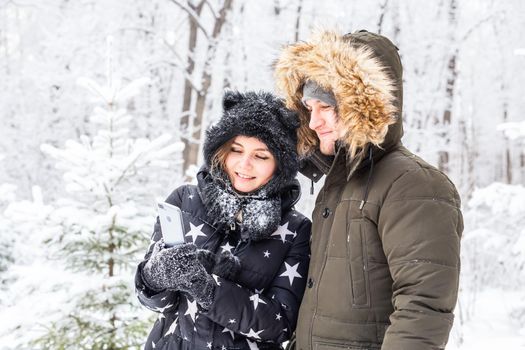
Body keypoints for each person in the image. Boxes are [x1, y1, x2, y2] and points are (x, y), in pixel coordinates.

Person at [274, 29, 463, 350]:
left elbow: (424, 306)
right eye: (309, 108)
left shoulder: (412, 184)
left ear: (363, 104)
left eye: (326, 107)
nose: (315, 121)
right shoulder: (338, 185)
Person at [135, 91, 312, 350]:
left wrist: (210, 291)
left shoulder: (296, 230)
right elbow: (155, 303)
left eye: (261, 156)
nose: (244, 164)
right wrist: (153, 277)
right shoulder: (184, 201)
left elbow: (280, 325)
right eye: (235, 150)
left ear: (280, 166)